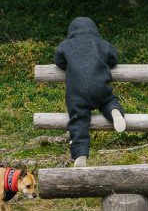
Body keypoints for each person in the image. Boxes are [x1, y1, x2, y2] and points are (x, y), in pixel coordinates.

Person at [54, 16, 127, 167]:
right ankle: (114, 112)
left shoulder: (66, 45)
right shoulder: (102, 44)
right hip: (100, 87)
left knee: (78, 119)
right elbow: (113, 58)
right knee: (108, 101)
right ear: (94, 29)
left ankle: (80, 153)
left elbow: (59, 60)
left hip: (77, 93)